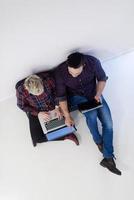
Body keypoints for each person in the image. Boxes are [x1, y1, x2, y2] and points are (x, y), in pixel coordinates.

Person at [55, 52, 121, 175]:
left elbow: (102, 79)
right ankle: (98, 140)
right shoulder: (60, 72)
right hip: (77, 96)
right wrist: (68, 117)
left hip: (93, 93)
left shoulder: (93, 62)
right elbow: (62, 97)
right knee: (92, 115)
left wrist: (98, 94)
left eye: (77, 73)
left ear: (84, 65)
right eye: (71, 73)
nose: (74, 75)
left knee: (109, 124)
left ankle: (108, 158)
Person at [15, 71, 79, 147]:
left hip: (53, 104)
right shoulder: (21, 90)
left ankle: (68, 132)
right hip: (37, 109)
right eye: (37, 94)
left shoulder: (48, 79)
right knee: (37, 138)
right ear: (27, 89)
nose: (40, 94)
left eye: (41, 91)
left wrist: (57, 107)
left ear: (41, 82)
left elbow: (57, 92)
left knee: (69, 124)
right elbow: (21, 106)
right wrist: (38, 113)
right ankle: (65, 137)